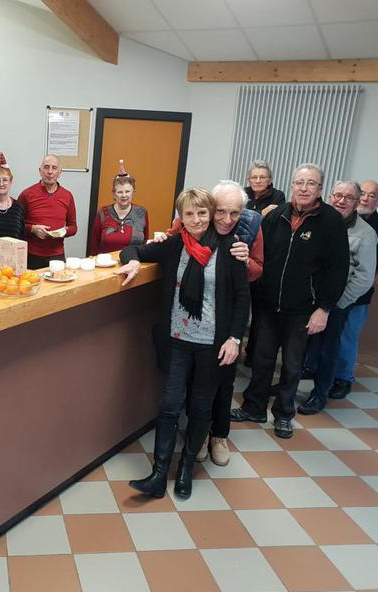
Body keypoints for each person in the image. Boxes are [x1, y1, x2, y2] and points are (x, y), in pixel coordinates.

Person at [116, 188, 249, 500]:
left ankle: (187, 468)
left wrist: (234, 338)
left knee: (201, 408)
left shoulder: (231, 248)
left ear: (211, 214)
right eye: (189, 214)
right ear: (181, 217)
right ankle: (159, 473)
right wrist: (133, 262)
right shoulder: (174, 245)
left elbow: (242, 298)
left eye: (202, 213)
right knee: (169, 406)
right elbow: (132, 248)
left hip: (212, 345)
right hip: (177, 341)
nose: (197, 219)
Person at [231, 163, 349, 439]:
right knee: (261, 359)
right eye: (299, 182)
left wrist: (324, 308)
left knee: (293, 365)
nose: (304, 188)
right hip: (268, 304)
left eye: (311, 183)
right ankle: (254, 407)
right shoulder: (277, 215)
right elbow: (259, 256)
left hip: (303, 309)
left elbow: (338, 270)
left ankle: (284, 414)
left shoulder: (331, 222)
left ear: (320, 189)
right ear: (292, 185)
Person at [166, 180, 263, 466]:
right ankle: (197, 435)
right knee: (198, 384)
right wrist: (158, 241)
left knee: (224, 380)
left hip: (228, 317)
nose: (227, 219)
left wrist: (245, 261)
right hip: (196, 322)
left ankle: (219, 435)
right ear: (210, 208)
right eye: (220, 211)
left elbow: (258, 270)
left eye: (234, 213)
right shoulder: (195, 221)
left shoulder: (250, 229)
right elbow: (175, 237)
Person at [299, 180, 377, 415]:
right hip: (306, 298)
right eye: (338, 196)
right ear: (329, 196)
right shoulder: (317, 221)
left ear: (357, 202)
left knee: (327, 350)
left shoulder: (366, 234)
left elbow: (364, 278)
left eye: (349, 198)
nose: (342, 201)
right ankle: (288, 386)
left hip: (336, 304)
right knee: (298, 345)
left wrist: (335, 304)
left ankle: (320, 394)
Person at [329, 180, 378, 399]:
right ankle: (316, 370)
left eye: (373, 195)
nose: (366, 199)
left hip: (357, 298)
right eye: (363, 194)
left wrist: (363, 287)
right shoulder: (337, 220)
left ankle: (343, 378)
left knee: (346, 338)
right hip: (329, 293)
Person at [242, 160, 285, 364]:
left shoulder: (278, 196)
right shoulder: (241, 195)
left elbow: (273, 223)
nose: (258, 180)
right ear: (249, 179)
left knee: (260, 314)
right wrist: (262, 214)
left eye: (262, 177)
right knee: (240, 308)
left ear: (270, 180)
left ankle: (252, 354)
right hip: (241, 258)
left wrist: (253, 217)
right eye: (254, 177)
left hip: (263, 260)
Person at [17, 154, 77, 270]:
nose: (50, 172)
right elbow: (16, 226)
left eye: (54, 168)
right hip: (31, 255)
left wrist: (64, 231)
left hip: (57, 256)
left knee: (59, 282)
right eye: (46, 167)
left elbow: (73, 227)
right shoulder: (26, 195)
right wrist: (32, 229)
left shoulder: (67, 196)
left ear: (59, 173)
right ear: (40, 171)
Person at [88, 160, 148, 255]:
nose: (124, 195)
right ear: (114, 194)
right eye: (120, 192)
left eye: (127, 191)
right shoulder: (103, 213)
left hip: (133, 261)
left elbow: (145, 242)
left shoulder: (141, 212)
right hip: (106, 262)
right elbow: (94, 244)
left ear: (133, 193)